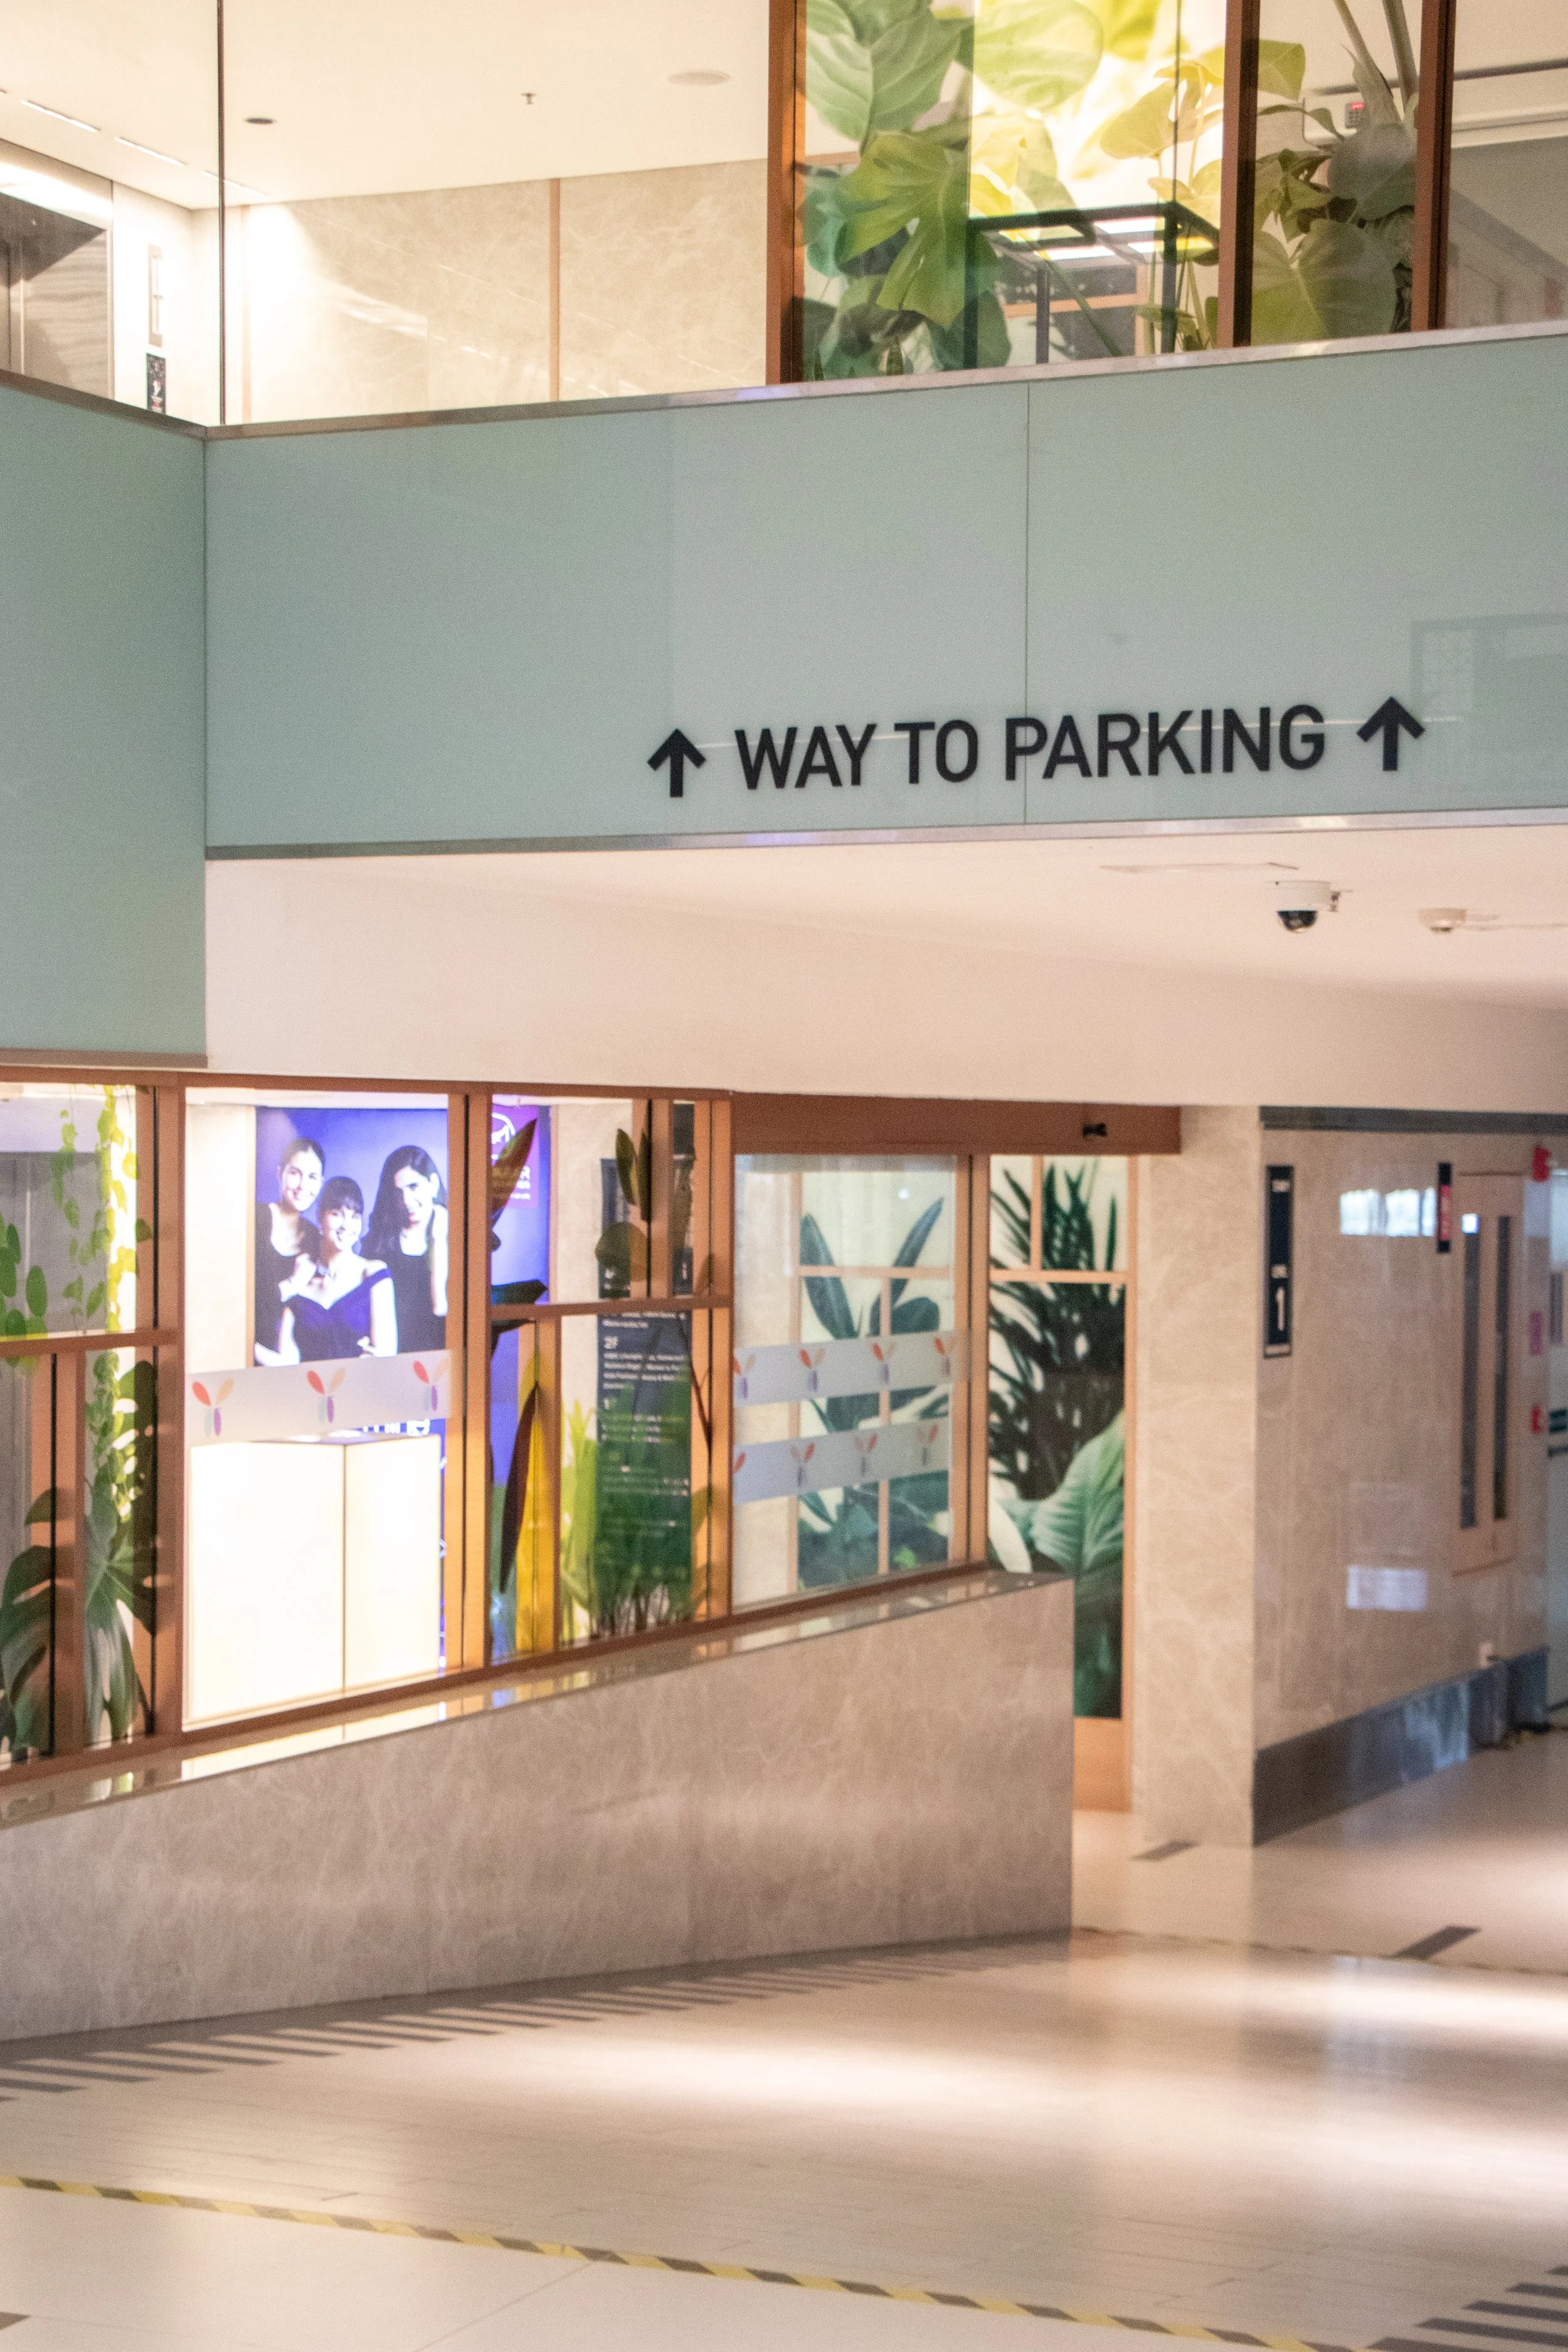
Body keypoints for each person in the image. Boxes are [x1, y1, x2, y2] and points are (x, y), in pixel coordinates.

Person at [262, 1176, 395, 1365]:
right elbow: (285, 1364)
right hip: (307, 1390)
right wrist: (247, 1344)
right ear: (320, 1219)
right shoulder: (301, 1283)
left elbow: (386, 1359)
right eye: (337, 1214)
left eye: (355, 1216)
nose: (346, 1226)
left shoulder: (374, 1274)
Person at [366, 1145, 448, 1352]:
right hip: (389, 1366)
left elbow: (441, 1310)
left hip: (443, 1365)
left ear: (433, 1184)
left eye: (414, 1187)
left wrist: (439, 1239)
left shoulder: (458, 1242)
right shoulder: (378, 1247)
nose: (407, 1201)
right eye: (399, 1192)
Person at [254, 1136, 324, 1362]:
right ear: (280, 1174)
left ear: (320, 1182)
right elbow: (237, 1301)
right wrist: (292, 1284)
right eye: (295, 1173)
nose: (303, 1186)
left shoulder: (316, 1239)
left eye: (312, 1177)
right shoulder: (254, 1218)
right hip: (243, 1352)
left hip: (288, 1362)